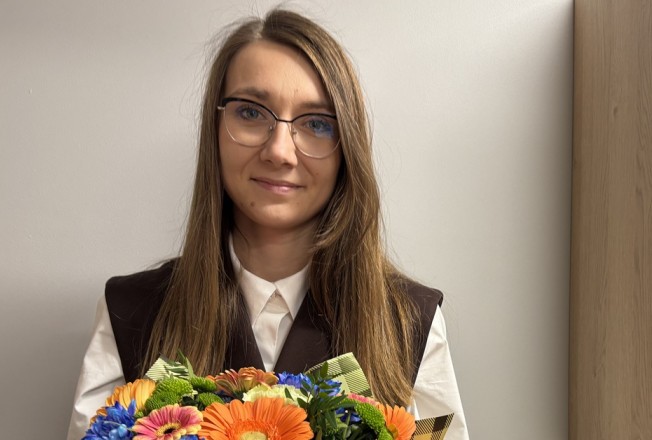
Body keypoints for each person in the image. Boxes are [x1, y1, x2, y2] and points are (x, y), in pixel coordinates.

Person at [68, 8, 468, 440]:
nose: (280, 151)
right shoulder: (130, 313)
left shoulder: (409, 322)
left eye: (317, 123)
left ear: (347, 147)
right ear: (215, 127)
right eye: (251, 113)